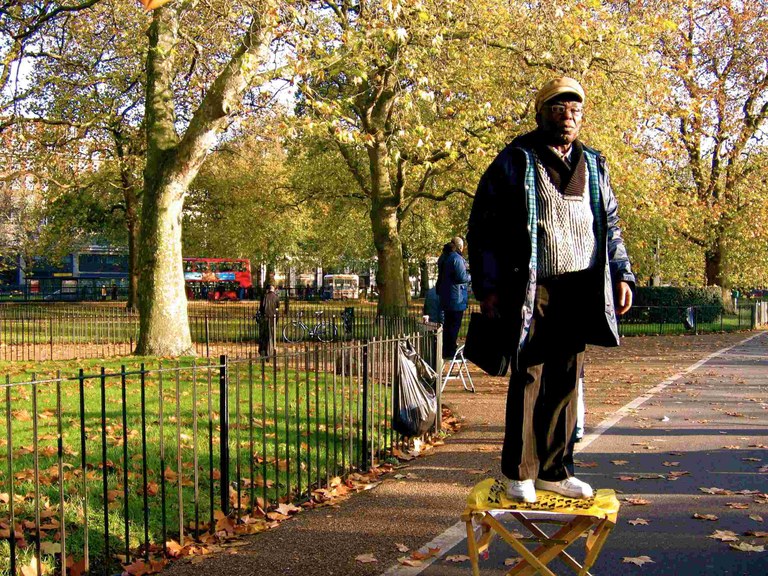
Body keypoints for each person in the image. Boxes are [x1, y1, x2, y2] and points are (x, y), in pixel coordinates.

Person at [467, 77, 635, 502]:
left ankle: (556, 470)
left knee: (566, 377)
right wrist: (487, 287)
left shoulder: (595, 165)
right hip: (531, 286)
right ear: (540, 113)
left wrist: (621, 274)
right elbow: (482, 229)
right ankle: (518, 472)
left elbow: (610, 225)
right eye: (559, 108)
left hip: (582, 285)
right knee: (530, 376)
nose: (568, 116)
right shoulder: (515, 160)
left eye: (575, 110)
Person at [435, 237, 470, 360]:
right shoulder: (456, 259)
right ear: (460, 246)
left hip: (446, 296)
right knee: (454, 325)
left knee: (448, 324)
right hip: (456, 297)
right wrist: (470, 276)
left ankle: (446, 349)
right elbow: (462, 277)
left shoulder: (443, 257)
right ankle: (450, 351)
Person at [258, 284, 280, 357]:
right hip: (272, 319)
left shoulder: (264, 296)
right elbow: (277, 309)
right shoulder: (276, 297)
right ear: (273, 289)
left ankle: (263, 350)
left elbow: (261, 308)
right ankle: (270, 350)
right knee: (271, 335)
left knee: (264, 335)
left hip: (265, 318)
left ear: (268, 290)